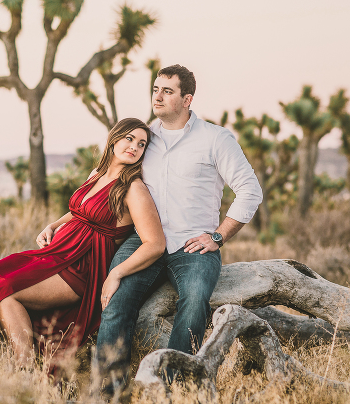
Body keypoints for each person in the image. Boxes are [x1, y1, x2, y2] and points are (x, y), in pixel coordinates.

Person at [0, 118, 167, 370]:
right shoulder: (97, 174)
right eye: (129, 139)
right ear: (114, 139)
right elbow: (80, 212)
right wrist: (53, 225)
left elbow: (155, 244)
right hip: (56, 254)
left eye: (142, 144)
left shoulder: (133, 188)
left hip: (80, 268)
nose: (134, 147)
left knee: (6, 288)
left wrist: (116, 273)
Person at [94, 65, 263, 395]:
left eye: (167, 91)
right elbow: (106, 174)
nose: (157, 96)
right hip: (145, 240)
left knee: (195, 299)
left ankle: (170, 388)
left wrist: (218, 236)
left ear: (187, 99)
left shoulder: (215, 138)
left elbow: (249, 189)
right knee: (115, 301)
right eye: (155, 89)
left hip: (194, 244)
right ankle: (109, 394)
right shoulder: (144, 139)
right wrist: (61, 223)